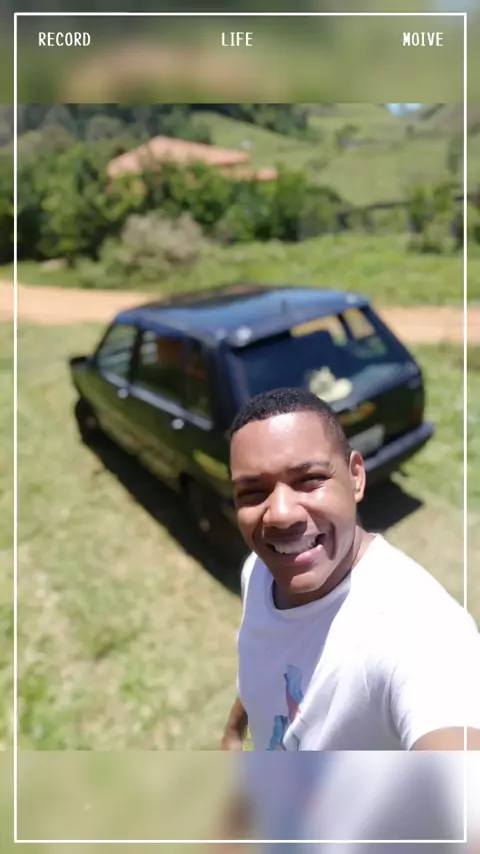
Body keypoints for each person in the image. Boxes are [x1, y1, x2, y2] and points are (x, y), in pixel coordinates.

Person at [217, 387, 480, 846]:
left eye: (309, 479)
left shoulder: (418, 629)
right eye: (253, 492)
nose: (279, 515)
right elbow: (267, 658)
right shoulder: (258, 571)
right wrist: (234, 734)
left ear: (356, 477)